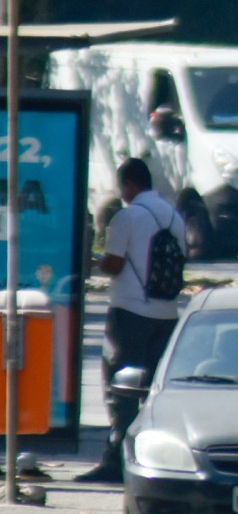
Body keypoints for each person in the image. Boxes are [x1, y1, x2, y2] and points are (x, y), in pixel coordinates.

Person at [75, 158, 186, 483]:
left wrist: (93, 261)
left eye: (122, 187)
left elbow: (114, 264)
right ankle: (151, 458)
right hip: (166, 313)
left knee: (120, 387)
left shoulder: (128, 217)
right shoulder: (173, 216)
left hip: (130, 313)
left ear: (130, 185)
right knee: (152, 389)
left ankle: (115, 461)